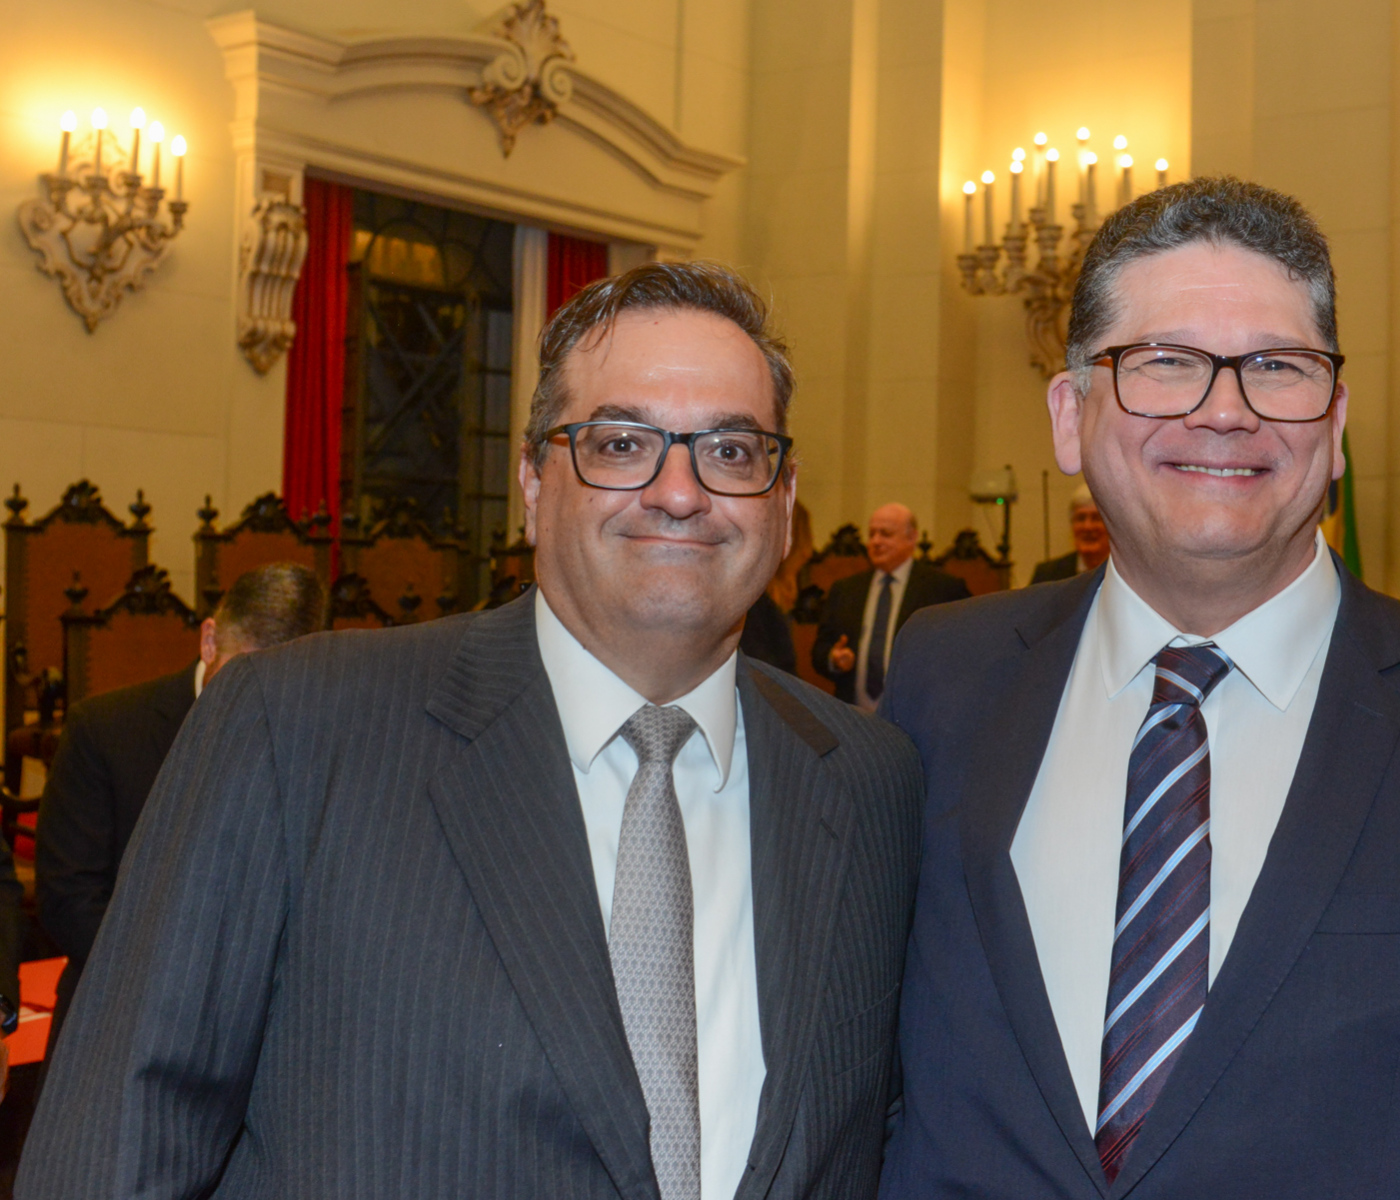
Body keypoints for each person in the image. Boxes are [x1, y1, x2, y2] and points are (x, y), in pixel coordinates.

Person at [19, 262, 924, 1200]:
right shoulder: (294, 730)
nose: (679, 492)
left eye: (731, 451)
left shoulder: (870, 780)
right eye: (621, 444)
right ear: (532, 481)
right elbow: (117, 1148)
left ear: (782, 501)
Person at [876, 178, 1400, 1198]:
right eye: (1164, 362)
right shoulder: (943, 680)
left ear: (1333, 423)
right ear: (1070, 415)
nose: (1224, 411)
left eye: (1276, 367)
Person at [34, 561, 327, 1050]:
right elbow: (69, 901)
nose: (264, 703)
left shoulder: (324, 740)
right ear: (209, 642)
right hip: (124, 1021)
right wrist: (193, 984)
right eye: (245, 678)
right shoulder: (105, 733)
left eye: (289, 685)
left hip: (273, 1032)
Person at [811, 503, 969, 709]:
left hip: (918, 710)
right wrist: (833, 658)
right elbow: (820, 650)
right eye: (872, 534)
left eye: (885, 534)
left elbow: (962, 650)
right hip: (854, 712)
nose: (876, 541)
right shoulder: (845, 590)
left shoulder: (942, 589)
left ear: (912, 538)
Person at [1030, 483, 1110, 583]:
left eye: (1096, 518)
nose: (1087, 527)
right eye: (1081, 518)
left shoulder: (1125, 572)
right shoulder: (1047, 575)